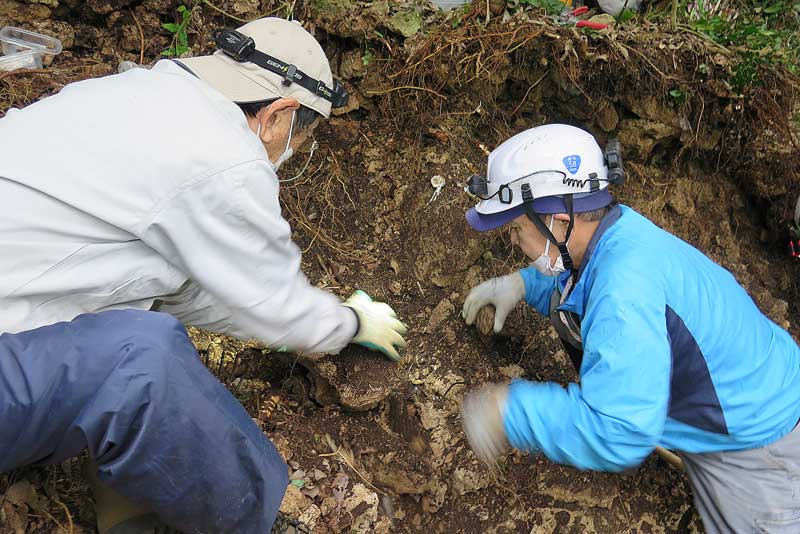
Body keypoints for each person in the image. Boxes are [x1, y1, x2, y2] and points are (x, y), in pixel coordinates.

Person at [0, 17, 407, 534]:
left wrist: (277, 322)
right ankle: (248, 524)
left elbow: (176, 287)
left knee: (136, 323)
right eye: (299, 144)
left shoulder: (140, 96)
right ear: (279, 114)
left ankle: (132, 516)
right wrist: (348, 323)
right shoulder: (222, 157)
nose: (290, 158)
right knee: (141, 363)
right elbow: (277, 306)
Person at [459, 124, 800, 532]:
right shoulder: (617, 232)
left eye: (516, 228)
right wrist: (522, 284)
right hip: (755, 381)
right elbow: (579, 279)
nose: (514, 240)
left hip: (758, 444)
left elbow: (619, 431)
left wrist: (510, 412)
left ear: (561, 222)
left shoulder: (624, 292)